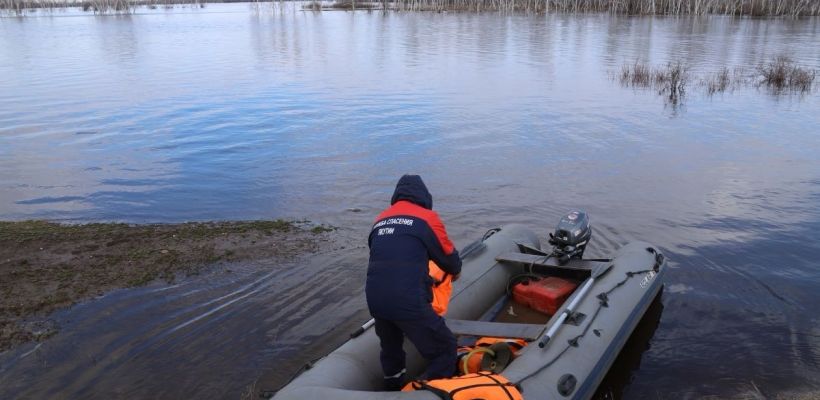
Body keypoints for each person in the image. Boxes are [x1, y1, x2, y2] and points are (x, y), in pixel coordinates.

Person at [366, 174, 462, 391]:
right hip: (407, 300)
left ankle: (392, 386)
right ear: (424, 196)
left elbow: (383, 256)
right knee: (445, 347)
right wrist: (455, 272)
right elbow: (449, 259)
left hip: (375, 299)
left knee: (391, 349)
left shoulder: (380, 220)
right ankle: (432, 391)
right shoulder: (427, 218)